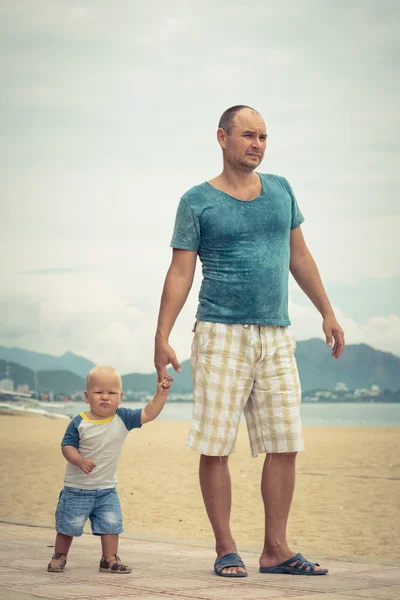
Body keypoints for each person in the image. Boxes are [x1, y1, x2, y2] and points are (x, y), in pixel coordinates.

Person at [154, 105, 344, 578]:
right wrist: (162, 335)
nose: (256, 144)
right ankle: (226, 548)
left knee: (285, 442)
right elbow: (181, 271)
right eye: (247, 135)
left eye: (263, 136)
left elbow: (299, 254)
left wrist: (327, 310)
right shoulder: (197, 200)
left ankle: (275, 549)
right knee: (216, 445)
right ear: (222, 138)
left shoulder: (281, 190)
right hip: (219, 332)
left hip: (276, 334)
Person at [47, 365, 173, 574]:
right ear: (87, 396)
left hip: (106, 489)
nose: (105, 397)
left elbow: (148, 413)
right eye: (98, 392)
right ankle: (59, 555)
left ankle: (109, 558)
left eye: (111, 393)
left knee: (111, 524)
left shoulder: (122, 418)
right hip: (77, 488)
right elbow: (66, 446)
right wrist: (79, 460)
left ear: (120, 397)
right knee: (68, 525)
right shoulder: (80, 422)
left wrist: (161, 394)